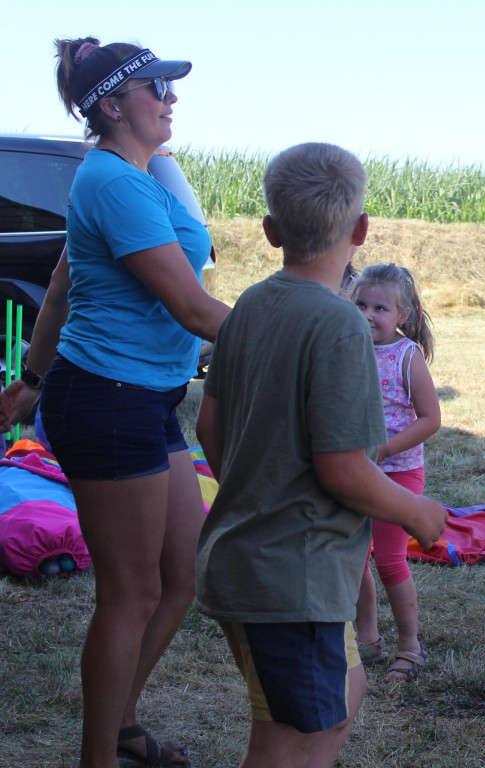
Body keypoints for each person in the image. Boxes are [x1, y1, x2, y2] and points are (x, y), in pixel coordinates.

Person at [0, 38, 230, 768]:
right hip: (107, 401)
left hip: (142, 399)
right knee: (130, 593)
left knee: (180, 575)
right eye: (156, 89)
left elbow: (66, 280)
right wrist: (305, 325)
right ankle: (98, 758)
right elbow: (195, 310)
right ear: (111, 106)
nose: (171, 100)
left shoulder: (141, 172)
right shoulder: (111, 181)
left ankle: (123, 724)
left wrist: (30, 380)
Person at [193, 143, 448, 768]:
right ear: (360, 231)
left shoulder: (251, 302)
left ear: (271, 231)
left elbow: (208, 423)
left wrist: (253, 487)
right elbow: (345, 469)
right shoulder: (340, 325)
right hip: (290, 578)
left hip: (259, 562)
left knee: (344, 692)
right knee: (291, 743)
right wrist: (417, 513)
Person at [350, 263, 441, 683]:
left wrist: (384, 449)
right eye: (361, 304)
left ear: (403, 314)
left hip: (398, 473)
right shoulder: (348, 346)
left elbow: (430, 418)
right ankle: (366, 639)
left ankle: (411, 647)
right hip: (353, 471)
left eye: (380, 308)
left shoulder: (407, 356)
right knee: (353, 559)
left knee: (389, 560)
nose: (369, 314)